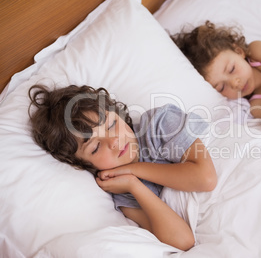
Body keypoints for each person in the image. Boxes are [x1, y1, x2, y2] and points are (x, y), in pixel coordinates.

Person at [28, 84, 217, 251]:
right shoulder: (123, 191)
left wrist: (135, 170)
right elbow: (183, 241)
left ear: (117, 113)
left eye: (111, 124)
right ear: (84, 165)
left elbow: (206, 178)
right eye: (96, 147)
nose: (114, 140)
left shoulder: (159, 123)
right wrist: (134, 185)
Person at [171, 21, 261, 146]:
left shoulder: (257, 50)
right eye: (222, 87)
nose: (234, 83)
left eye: (231, 69)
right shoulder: (257, 105)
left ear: (239, 51)